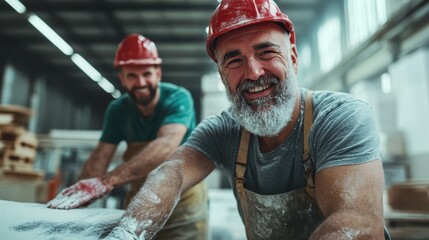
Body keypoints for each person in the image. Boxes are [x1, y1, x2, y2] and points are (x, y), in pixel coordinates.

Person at [103, 0, 391, 239]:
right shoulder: (223, 131)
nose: (253, 73)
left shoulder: (338, 118)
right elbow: (173, 173)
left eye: (266, 51)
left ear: (293, 57)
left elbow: (358, 222)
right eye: (234, 60)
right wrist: (127, 232)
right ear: (222, 76)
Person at [47, 34, 209, 240]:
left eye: (147, 74)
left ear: (158, 73)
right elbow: (101, 156)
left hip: (183, 207)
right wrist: (82, 194)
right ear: (122, 78)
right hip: (138, 207)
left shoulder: (178, 98)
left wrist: (107, 182)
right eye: (132, 76)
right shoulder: (118, 110)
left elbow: (166, 144)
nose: (140, 82)